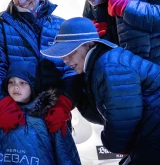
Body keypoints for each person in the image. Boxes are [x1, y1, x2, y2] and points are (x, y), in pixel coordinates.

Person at [41, 17, 160, 165]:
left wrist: (112, 143)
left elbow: (124, 116)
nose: (65, 60)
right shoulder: (98, 65)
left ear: (89, 44)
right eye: (63, 54)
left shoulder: (110, 66)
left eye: (70, 52)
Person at [0, 0, 76, 138]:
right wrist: (0, 103)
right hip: (15, 112)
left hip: (53, 112)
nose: (21, 1)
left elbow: (70, 69)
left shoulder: (61, 26)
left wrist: (65, 102)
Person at [0, 60, 81, 165]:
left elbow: (66, 155)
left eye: (23, 82)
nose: (15, 86)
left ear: (33, 85)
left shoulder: (50, 117)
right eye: (11, 82)